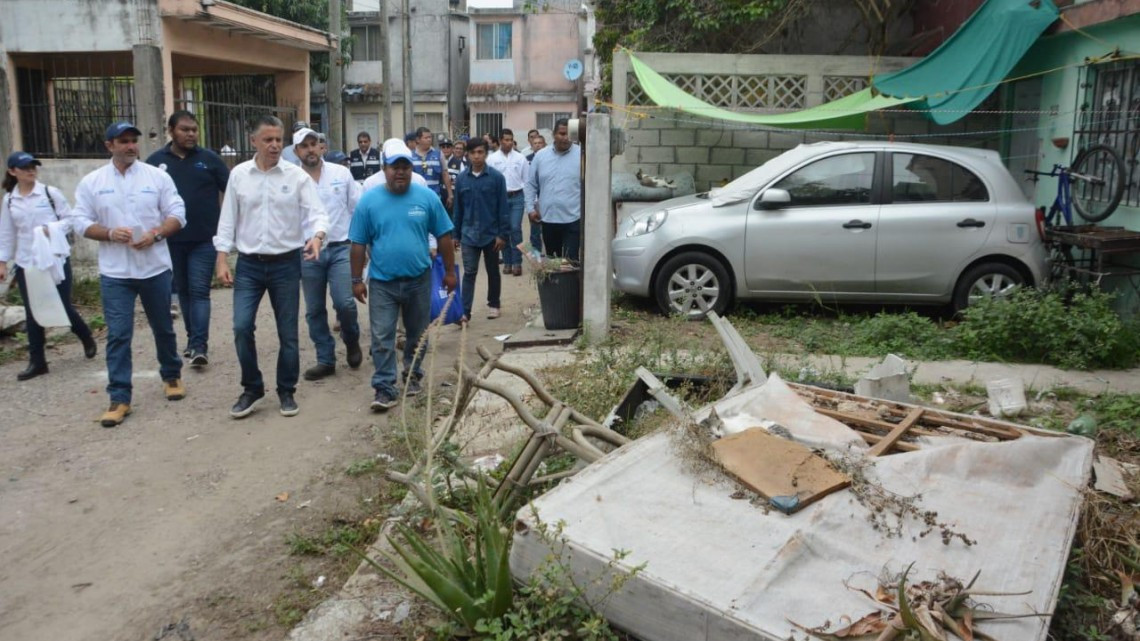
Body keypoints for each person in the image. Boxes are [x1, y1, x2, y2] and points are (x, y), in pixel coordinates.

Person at [70, 122, 188, 427]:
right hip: (115, 272)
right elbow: (80, 220)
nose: (131, 146)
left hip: (154, 268)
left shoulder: (157, 177)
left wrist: (157, 234)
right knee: (119, 334)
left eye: (134, 140)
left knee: (163, 327)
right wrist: (109, 233)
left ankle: (171, 375)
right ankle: (120, 397)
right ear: (109, 145)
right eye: (124, 141)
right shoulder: (93, 182)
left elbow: (178, 213)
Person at [214, 115, 330, 419]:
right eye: (268, 139)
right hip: (250, 265)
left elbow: (318, 214)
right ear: (254, 141)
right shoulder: (239, 175)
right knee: (241, 327)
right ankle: (252, 388)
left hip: (286, 264)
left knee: (288, 333)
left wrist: (317, 237)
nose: (275, 145)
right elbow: (227, 220)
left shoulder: (296, 177)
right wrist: (222, 257)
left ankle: (286, 389)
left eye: (278, 139)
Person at [349, 138, 457, 411]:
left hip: (419, 279)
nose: (400, 172)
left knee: (417, 334)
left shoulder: (427, 197)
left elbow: (444, 235)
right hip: (382, 282)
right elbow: (358, 243)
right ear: (384, 168)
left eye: (405, 167)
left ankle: (412, 375)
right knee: (382, 336)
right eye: (394, 167)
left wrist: (451, 272)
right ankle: (384, 387)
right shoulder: (369, 201)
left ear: (411, 169)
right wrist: (355, 280)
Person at [0, 151, 97, 380]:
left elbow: (70, 219)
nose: (31, 171)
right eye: (25, 168)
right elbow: (7, 233)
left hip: (55, 258)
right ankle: (38, 361)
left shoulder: (48, 193)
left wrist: (50, 229)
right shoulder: (10, 199)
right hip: (27, 262)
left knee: (62, 304)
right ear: (13, 172)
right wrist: (2, 262)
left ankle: (85, 335)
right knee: (34, 310)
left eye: (33, 166)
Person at [146, 110, 230, 368]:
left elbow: (232, 192)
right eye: (185, 129)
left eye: (194, 129)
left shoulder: (209, 160)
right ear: (171, 131)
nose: (191, 134)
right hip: (170, 241)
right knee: (182, 290)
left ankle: (199, 345)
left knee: (199, 290)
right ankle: (192, 339)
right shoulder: (155, 162)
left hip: (205, 239)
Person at [293, 127, 363, 381]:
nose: (311, 149)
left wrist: (361, 246)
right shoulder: (292, 179)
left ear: (321, 147)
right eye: (304, 145)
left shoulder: (341, 173)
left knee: (344, 302)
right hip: (307, 254)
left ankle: (351, 338)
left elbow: (358, 209)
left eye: (314, 144)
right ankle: (325, 359)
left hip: (340, 248)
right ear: (296, 151)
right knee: (313, 309)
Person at [452, 139, 508, 321]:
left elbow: (503, 208)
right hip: (469, 234)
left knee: (493, 270)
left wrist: (502, 234)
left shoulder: (497, 178)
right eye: (473, 153)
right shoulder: (461, 179)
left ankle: (494, 304)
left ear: (486, 154)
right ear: (467, 154)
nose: (477, 156)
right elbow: (458, 209)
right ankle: (464, 311)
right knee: (469, 272)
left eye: (480, 152)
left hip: (491, 234)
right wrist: (456, 235)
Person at [525, 118, 581, 259]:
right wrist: (530, 209)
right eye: (562, 134)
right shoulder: (541, 156)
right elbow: (531, 184)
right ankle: (555, 282)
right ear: (553, 135)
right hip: (548, 219)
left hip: (573, 219)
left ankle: (571, 282)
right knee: (553, 262)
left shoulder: (582, 155)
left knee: (571, 261)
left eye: (569, 134)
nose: (566, 138)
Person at [487, 128, 528, 276]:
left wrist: (531, 202)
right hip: (499, 198)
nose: (509, 142)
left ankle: (517, 263)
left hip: (517, 196)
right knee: (503, 230)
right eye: (506, 140)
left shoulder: (520, 158)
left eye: (511, 140)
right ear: (500, 141)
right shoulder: (491, 159)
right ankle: (508, 262)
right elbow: (489, 181)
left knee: (515, 228)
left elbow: (527, 180)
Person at [410, 127, 453, 209]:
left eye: (430, 137)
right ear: (418, 140)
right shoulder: (410, 155)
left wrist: (450, 194)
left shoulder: (439, 154)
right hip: (416, 197)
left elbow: (445, 174)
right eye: (426, 138)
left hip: (435, 196)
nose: (429, 140)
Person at [525, 134, 546, 252]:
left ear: (544, 144)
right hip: (533, 196)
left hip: (546, 195)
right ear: (531, 146)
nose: (537, 145)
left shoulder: (549, 158)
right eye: (535, 143)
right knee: (535, 228)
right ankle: (536, 254)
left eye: (540, 143)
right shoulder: (527, 159)